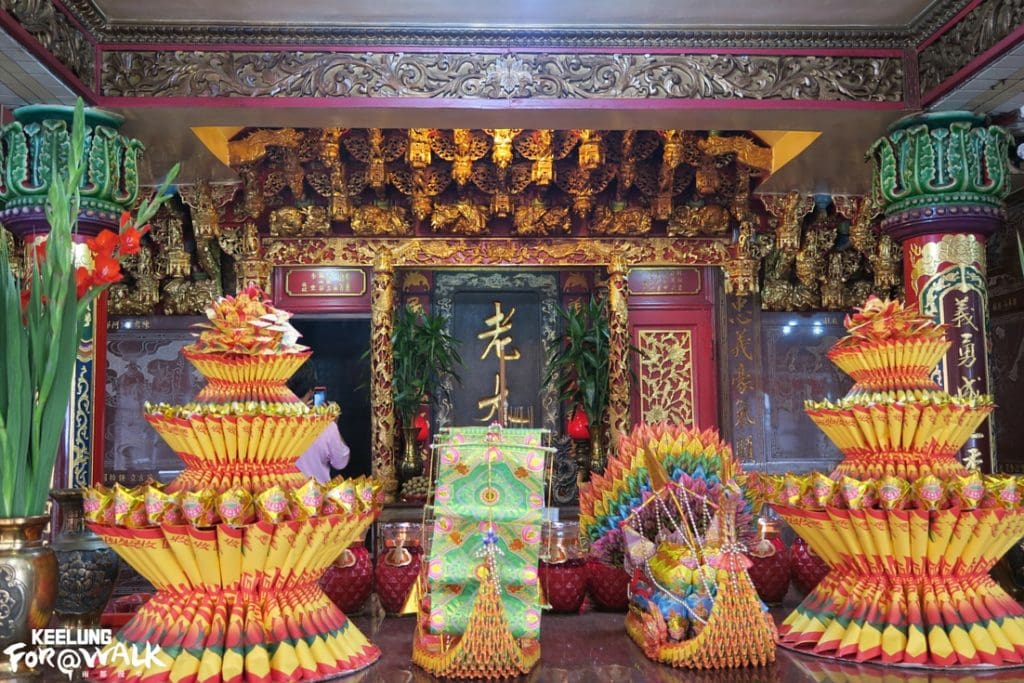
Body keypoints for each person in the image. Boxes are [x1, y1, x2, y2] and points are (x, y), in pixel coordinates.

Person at [287, 363, 350, 482]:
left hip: (278, 498)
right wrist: (334, 426)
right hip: (317, 498)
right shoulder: (326, 425)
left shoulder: (269, 424)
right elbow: (341, 462)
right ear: (311, 390)